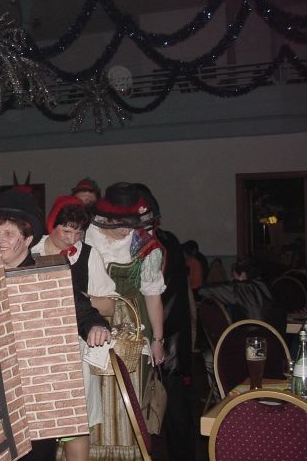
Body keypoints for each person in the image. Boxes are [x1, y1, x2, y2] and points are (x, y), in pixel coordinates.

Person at [85, 182, 165, 461]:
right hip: (89, 321)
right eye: (121, 222)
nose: (126, 229)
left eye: (131, 222)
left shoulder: (145, 246)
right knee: (90, 393)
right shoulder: (86, 237)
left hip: (131, 327)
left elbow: (153, 296)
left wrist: (158, 339)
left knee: (127, 397)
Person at [31, 195, 115, 461]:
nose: (72, 239)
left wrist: (78, 298)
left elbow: (109, 306)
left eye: (78, 233)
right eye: (66, 231)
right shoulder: (30, 252)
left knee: (76, 421)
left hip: (74, 350)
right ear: (51, 225)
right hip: (36, 351)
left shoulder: (88, 255)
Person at [0, 187, 59, 460]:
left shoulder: (46, 275)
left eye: (9, 234)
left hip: (34, 392)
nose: (0, 240)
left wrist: (95, 325)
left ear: (28, 239)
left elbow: (79, 309)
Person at [133, 182, 196, 461]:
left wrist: (155, 337)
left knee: (172, 408)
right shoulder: (163, 240)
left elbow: (161, 296)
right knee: (167, 409)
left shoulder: (157, 244)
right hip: (166, 337)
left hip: (164, 339)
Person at [198, 257, 286, 335]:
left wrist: (230, 284)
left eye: (234, 276)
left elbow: (203, 290)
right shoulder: (270, 286)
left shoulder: (242, 289)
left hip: (250, 341)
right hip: (277, 342)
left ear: (243, 275)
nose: (232, 279)